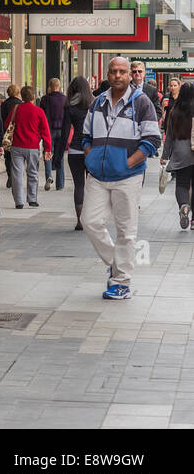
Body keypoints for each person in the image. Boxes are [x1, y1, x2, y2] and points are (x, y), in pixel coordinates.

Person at [81, 56, 161, 301]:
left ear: (129, 75)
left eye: (122, 72)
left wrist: (126, 163)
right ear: (108, 73)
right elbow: (85, 136)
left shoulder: (142, 102)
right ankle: (118, 265)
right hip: (98, 175)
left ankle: (121, 282)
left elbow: (152, 140)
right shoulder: (97, 102)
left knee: (126, 231)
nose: (117, 75)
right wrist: (91, 158)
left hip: (128, 177)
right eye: (113, 71)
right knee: (89, 221)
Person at [8, 85, 52, 210]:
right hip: (33, 146)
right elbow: (46, 132)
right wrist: (48, 148)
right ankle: (32, 199)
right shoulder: (39, 111)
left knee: (17, 173)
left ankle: (19, 201)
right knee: (32, 173)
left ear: (21, 96)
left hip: (17, 146)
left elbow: (7, 124)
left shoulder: (16, 109)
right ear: (33, 96)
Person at [59, 77, 93, 231]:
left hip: (74, 150)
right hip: (92, 150)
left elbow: (65, 132)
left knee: (79, 185)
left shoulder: (69, 107)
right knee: (92, 186)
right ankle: (91, 219)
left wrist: (58, 155)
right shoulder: (94, 105)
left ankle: (79, 221)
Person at [161, 82, 194, 230]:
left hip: (181, 152)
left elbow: (169, 136)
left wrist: (165, 155)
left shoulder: (175, 111)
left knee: (181, 184)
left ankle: (184, 205)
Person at [39, 78, 67, 190]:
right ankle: (60, 184)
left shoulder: (45, 99)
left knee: (48, 153)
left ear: (49, 86)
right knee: (60, 156)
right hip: (62, 130)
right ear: (59, 86)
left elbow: (41, 116)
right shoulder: (65, 99)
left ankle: (49, 176)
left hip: (48, 130)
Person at [0, 85, 20, 188]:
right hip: (17, 133)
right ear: (17, 92)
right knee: (16, 156)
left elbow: (1, 119)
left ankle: (9, 175)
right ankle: (14, 176)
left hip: (7, 133)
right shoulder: (20, 104)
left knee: (7, 156)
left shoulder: (4, 104)